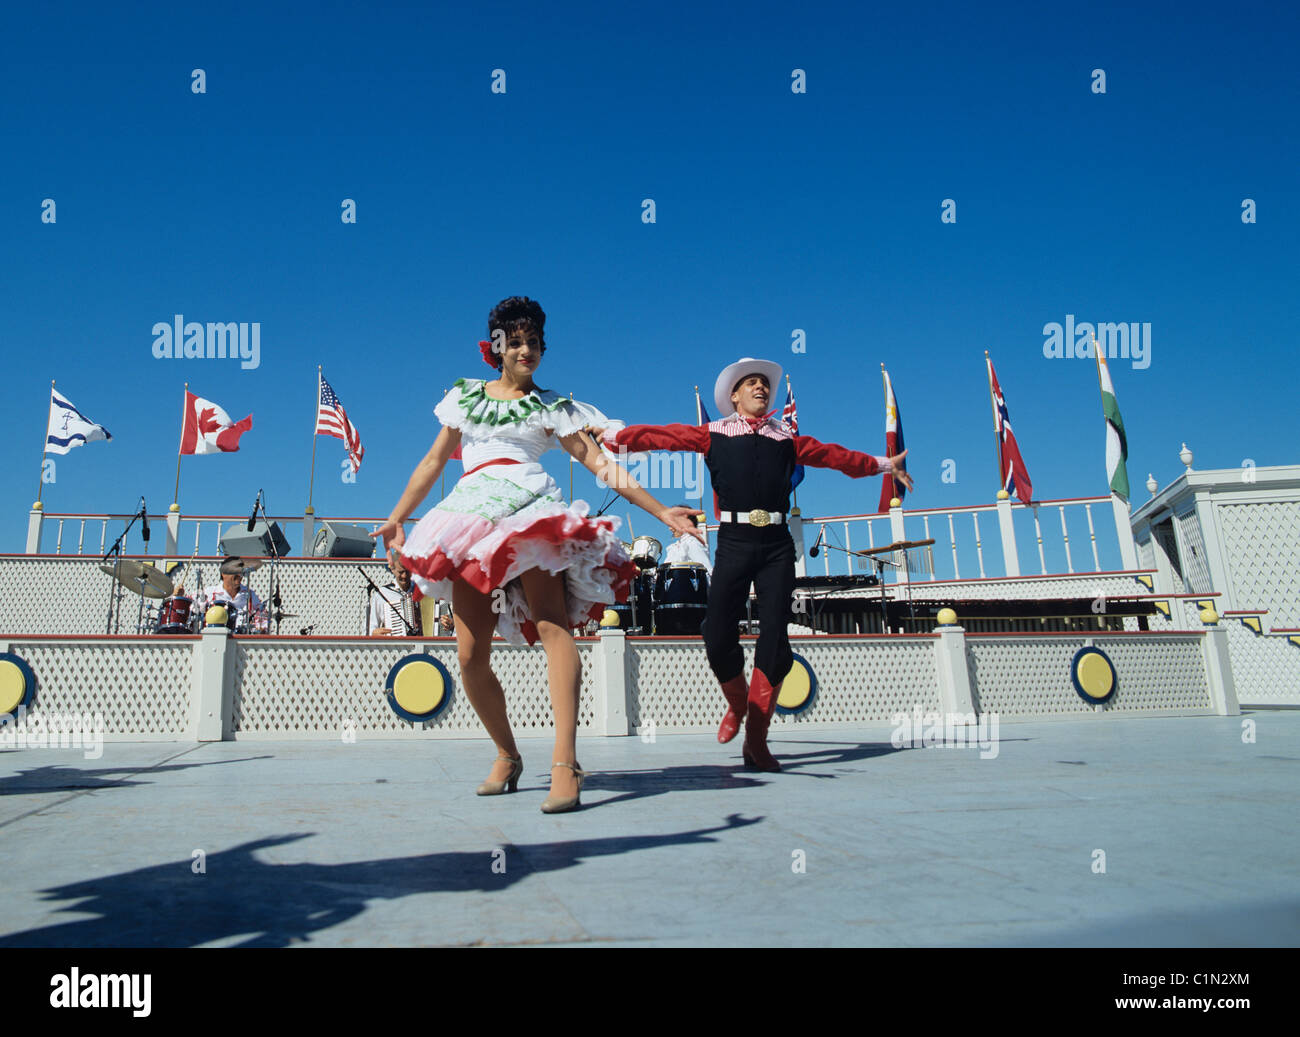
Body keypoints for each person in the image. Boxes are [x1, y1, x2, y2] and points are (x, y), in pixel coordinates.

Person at [373, 296, 701, 812]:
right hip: (468, 519)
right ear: (497, 347)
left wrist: (662, 512)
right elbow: (434, 461)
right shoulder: (464, 398)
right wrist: (396, 516)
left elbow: (600, 463)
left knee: (554, 629)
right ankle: (507, 754)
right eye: (517, 341)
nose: (527, 350)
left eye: (535, 343)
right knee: (468, 652)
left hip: (529, 514)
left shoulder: (553, 406)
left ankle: (565, 762)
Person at [594, 357, 913, 772]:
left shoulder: (787, 438)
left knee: (775, 638)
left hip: (777, 544)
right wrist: (619, 437)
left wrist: (884, 465)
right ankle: (737, 702)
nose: (761, 388)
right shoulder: (714, 433)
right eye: (751, 383)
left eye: (765, 383)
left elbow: (835, 457)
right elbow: (666, 437)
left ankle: (757, 740)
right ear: (734, 396)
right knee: (717, 631)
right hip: (734, 541)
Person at [194, 557, 265, 626]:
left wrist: (259, 625)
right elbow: (192, 608)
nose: (239, 575)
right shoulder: (209, 592)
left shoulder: (250, 594)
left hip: (240, 637)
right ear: (224, 573)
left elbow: (263, 618)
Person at [367, 553, 423, 636]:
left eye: (408, 571)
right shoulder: (381, 594)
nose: (404, 576)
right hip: (394, 646)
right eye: (401, 572)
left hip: (419, 646)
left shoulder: (422, 591)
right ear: (392, 569)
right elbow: (371, 627)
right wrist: (374, 633)